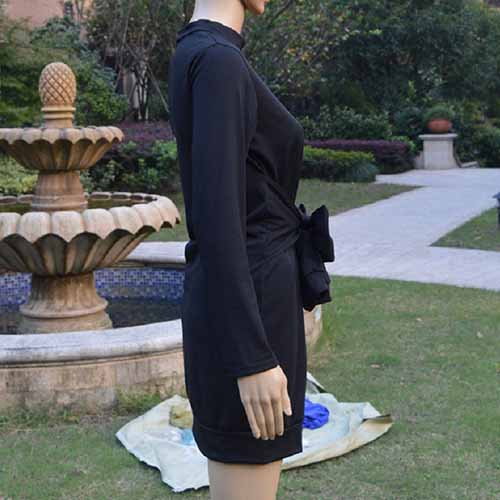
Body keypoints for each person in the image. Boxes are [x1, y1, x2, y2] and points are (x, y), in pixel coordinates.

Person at [167, 0, 307, 498]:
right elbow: (217, 220)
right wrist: (251, 358)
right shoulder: (217, 61)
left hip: (249, 299)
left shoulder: (203, 52)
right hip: (249, 312)